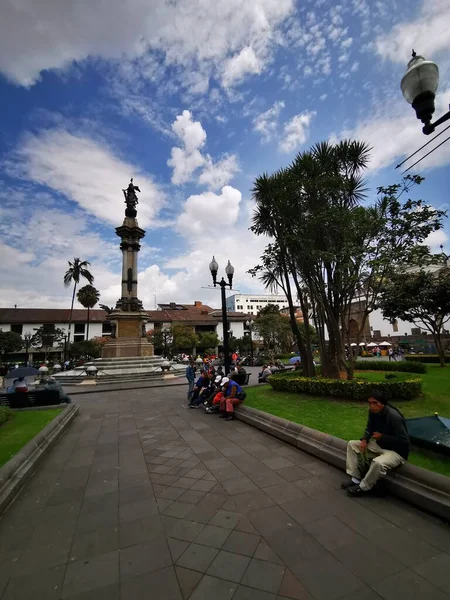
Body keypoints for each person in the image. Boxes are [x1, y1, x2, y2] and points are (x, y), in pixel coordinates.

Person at [342, 390, 410, 496]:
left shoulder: (394, 417)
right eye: (370, 403)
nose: (372, 406)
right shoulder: (373, 412)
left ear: (382, 403)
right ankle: (355, 479)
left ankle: (364, 487)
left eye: (375, 403)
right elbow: (370, 427)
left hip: (397, 452)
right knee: (352, 444)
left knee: (378, 463)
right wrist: (364, 439)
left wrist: (383, 437)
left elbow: (404, 441)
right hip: (380, 446)